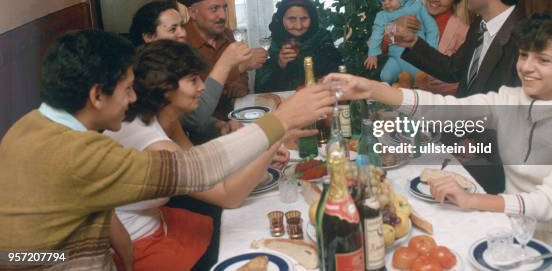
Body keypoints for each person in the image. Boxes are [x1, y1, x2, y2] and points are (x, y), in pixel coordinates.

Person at [0, 29, 334, 270]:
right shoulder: (79, 153)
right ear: (96, 95)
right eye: (127, 89)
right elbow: (198, 170)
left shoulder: (30, 126)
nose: (134, 98)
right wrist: (282, 119)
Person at [326, 12, 552, 270]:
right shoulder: (508, 100)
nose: (527, 67)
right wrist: (372, 88)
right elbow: (441, 108)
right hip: (508, 236)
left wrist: (471, 199)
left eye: (543, 60)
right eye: (524, 55)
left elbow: (547, 203)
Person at [106, 40, 291, 270]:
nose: (203, 87)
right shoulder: (156, 144)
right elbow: (227, 196)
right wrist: (275, 135)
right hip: (137, 245)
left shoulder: (165, 119)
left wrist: (256, 150)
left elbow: (205, 165)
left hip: (159, 220)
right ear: (165, 87)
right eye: (193, 80)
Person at [395, 0, 526, 193]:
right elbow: (454, 69)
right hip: (459, 137)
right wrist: (413, 43)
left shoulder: (523, 39)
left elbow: (518, 114)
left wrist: (476, 144)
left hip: (490, 161)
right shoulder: (480, 24)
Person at [129, 1, 248, 144]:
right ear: (149, 37)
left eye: (182, 26)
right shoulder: (143, 77)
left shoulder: (170, 67)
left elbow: (184, 118)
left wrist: (219, 126)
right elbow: (196, 118)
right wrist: (225, 64)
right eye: (173, 29)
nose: (183, 33)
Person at [178, 0, 267, 119]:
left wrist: (239, 84)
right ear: (192, 13)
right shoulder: (180, 42)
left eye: (224, 8)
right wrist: (240, 67)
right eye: (214, 9)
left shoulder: (228, 34)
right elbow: (196, 85)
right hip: (199, 124)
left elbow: (241, 73)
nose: (222, 15)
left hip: (233, 115)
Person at [255, 0, 343, 92]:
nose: (298, 26)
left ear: (312, 19)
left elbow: (337, 76)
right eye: (291, 19)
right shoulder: (270, 46)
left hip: (317, 99)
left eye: (304, 19)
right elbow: (261, 91)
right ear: (281, 19)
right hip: (283, 104)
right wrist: (279, 65)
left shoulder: (322, 39)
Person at [363, 0, 439, 84]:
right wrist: (372, 53)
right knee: (385, 76)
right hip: (395, 56)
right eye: (383, 0)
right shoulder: (383, 16)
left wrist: (430, 49)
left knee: (419, 78)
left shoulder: (417, 7)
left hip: (417, 54)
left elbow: (431, 27)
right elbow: (376, 34)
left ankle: (414, 87)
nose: (386, 3)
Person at [419, 0, 469, 95]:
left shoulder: (463, 31)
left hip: (443, 101)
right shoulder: (408, 16)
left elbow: (464, 76)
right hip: (405, 95)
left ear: (455, 1)